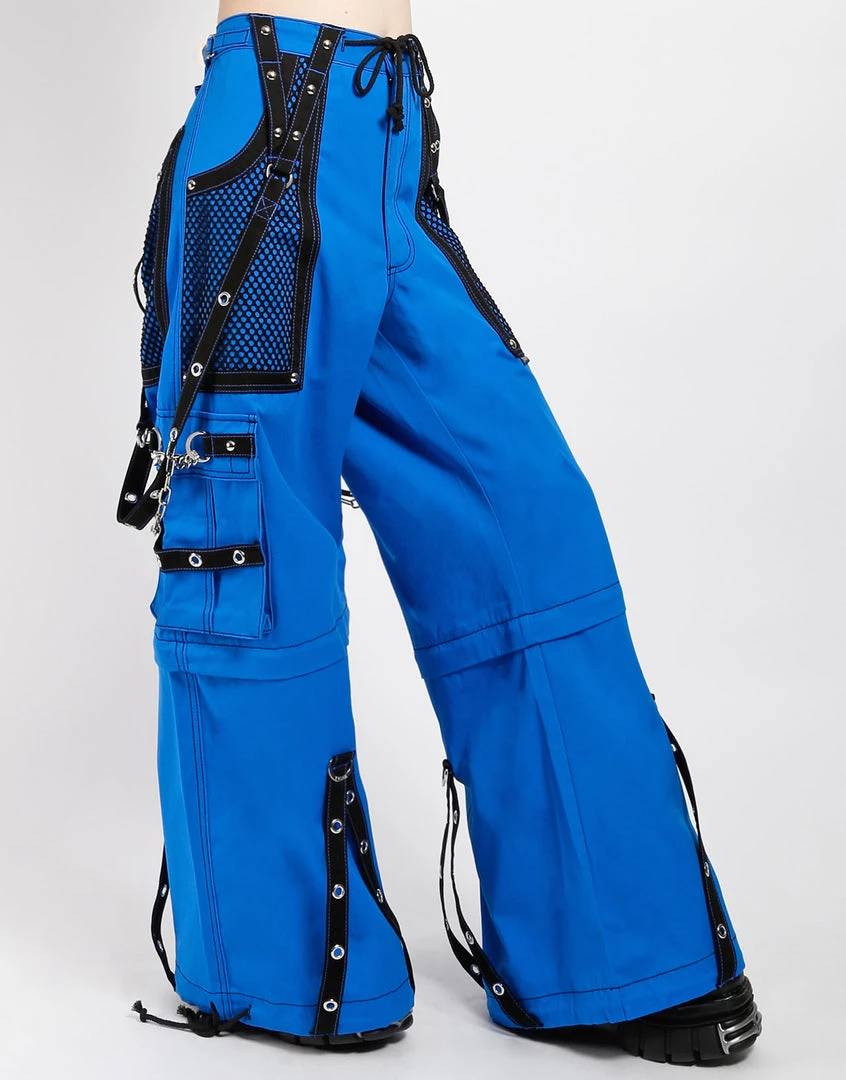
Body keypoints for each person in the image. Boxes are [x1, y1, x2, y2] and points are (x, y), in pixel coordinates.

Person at [118, 0, 762, 1063]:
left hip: (387, 146)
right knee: (253, 555)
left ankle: (613, 954)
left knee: (525, 524)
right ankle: (281, 970)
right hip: (267, 141)